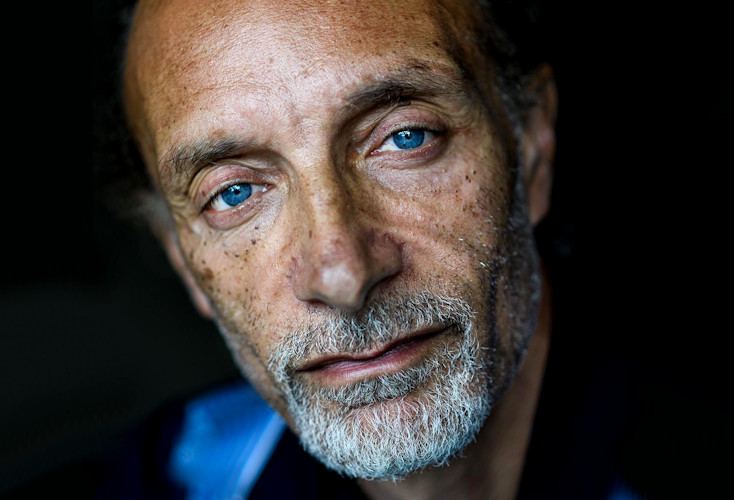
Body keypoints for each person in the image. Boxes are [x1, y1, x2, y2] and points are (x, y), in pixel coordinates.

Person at [100, 0, 645, 498]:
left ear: (530, 146)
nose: (342, 276)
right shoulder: (174, 476)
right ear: (183, 258)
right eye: (234, 192)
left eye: (407, 137)